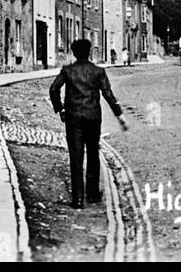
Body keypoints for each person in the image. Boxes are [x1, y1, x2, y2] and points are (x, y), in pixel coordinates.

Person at [49, 39, 127, 209]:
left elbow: (53, 89)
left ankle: (77, 199)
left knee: (76, 157)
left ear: (73, 53)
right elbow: (108, 94)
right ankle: (92, 195)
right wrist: (119, 114)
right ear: (90, 52)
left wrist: (60, 109)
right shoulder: (98, 71)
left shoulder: (67, 70)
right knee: (93, 155)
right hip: (93, 118)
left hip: (73, 119)